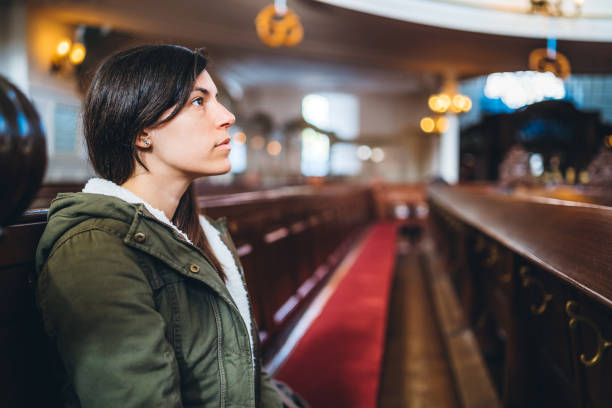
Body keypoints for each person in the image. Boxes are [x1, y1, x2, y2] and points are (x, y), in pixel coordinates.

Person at [35, 44, 306, 408]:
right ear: (141, 131)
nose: (226, 116)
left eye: (217, 99)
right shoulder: (94, 249)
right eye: (199, 101)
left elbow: (251, 375)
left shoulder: (209, 235)